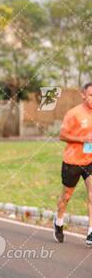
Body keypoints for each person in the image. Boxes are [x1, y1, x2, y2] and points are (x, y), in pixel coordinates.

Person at [54, 82, 92, 245]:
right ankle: (59, 220)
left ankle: (91, 231)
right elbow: (62, 135)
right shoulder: (74, 113)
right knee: (66, 197)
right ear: (83, 95)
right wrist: (81, 139)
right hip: (72, 161)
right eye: (90, 95)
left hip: (90, 159)